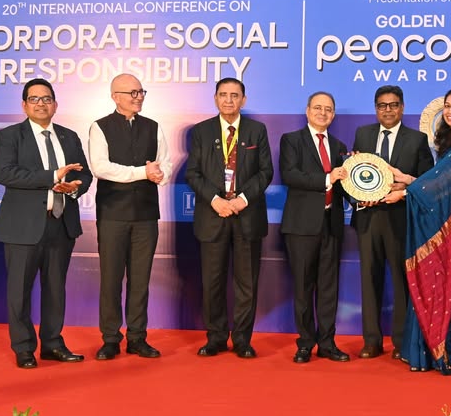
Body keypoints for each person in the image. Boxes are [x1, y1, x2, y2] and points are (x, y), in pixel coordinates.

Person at [386, 87, 451, 374]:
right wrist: (407, 179)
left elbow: (443, 185)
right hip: (447, 226)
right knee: (437, 283)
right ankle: (435, 349)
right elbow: (439, 181)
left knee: (449, 282)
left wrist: (405, 193)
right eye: (447, 106)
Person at [0, 78, 92, 368]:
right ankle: (24, 348)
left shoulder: (69, 136)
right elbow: (6, 173)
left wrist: (72, 187)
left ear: (55, 104)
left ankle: (52, 344)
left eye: (46, 99)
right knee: (19, 291)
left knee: (55, 289)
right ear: (24, 105)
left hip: (61, 224)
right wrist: (52, 177)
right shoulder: (10, 136)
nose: (41, 104)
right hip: (22, 227)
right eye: (34, 99)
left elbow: (84, 174)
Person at [186, 77, 273, 359]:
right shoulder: (201, 131)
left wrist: (241, 200)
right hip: (213, 216)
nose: (228, 100)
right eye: (223, 94)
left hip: (247, 216)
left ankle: (243, 340)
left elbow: (265, 172)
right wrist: (216, 200)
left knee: (247, 284)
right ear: (215, 98)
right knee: (212, 282)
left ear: (243, 100)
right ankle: (216, 338)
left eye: (234, 95)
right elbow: (193, 173)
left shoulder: (257, 130)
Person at [89, 73, 173, 360]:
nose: (138, 97)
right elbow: (101, 168)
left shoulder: (153, 127)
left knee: (140, 280)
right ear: (115, 96)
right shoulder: (100, 127)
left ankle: (137, 337)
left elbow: (165, 163)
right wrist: (142, 172)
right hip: (112, 214)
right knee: (111, 279)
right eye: (132, 93)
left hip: (146, 214)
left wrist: (161, 175)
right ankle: (110, 338)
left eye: (141, 92)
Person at [351, 85, 434, 360]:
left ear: (402, 107)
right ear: (376, 109)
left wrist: (403, 190)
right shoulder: (363, 134)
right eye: (382, 105)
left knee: (402, 282)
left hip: (401, 219)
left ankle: (401, 341)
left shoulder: (417, 139)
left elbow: (426, 182)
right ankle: (371, 341)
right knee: (369, 280)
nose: (388, 110)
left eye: (393, 105)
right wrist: (360, 198)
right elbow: (354, 175)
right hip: (368, 218)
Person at [280, 92, 350, 363]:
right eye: (318, 108)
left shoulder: (340, 146)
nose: (323, 113)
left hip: (331, 224)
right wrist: (328, 178)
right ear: (308, 111)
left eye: (328, 109)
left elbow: (344, 186)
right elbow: (290, 175)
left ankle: (328, 343)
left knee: (329, 288)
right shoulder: (291, 140)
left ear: (333, 115)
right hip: (301, 226)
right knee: (303, 287)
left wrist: (358, 178)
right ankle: (305, 343)